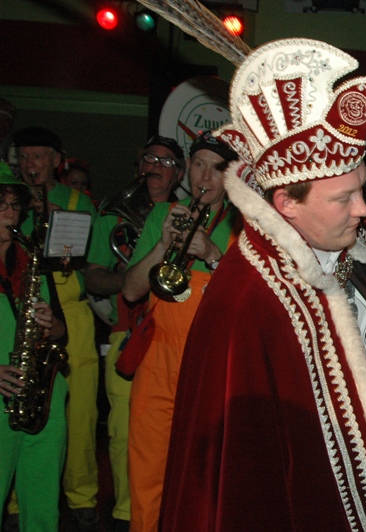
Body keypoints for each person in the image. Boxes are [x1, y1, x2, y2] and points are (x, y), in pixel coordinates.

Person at [159, 38, 366, 531]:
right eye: (343, 198)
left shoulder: (344, 254)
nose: (363, 209)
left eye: (362, 189)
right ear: (287, 205)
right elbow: (242, 479)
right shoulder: (249, 299)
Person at [119, 131, 238, 532]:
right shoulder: (162, 215)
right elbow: (132, 291)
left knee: (203, 476)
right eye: (198, 165)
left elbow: (249, 302)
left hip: (210, 363)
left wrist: (213, 255)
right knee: (147, 470)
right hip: (158, 360)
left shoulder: (243, 225)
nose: (204, 178)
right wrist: (162, 244)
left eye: (216, 169)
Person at [83, 135, 185, 532]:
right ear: (138, 166)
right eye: (150, 158)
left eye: (167, 161)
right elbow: (94, 278)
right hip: (128, 332)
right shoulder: (111, 216)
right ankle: (129, 516)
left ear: (179, 174)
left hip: (176, 336)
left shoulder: (187, 214)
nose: (156, 166)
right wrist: (133, 277)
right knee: (125, 435)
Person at [12, 126, 99, 531]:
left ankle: (82, 496)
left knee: (81, 411)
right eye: (24, 157)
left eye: (38, 156)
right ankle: (15, 502)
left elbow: (89, 263)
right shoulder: (11, 201)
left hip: (72, 310)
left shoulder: (78, 201)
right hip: (23, 307)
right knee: (22, 403)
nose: (30, 165)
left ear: (56, 161)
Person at [0, 162, 68, 531]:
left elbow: (62, 331)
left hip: (40, 397)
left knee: (43, 500)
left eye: (15, 205)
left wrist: (50, 322)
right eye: (1, 205)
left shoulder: (31, 262)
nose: (10, 213)